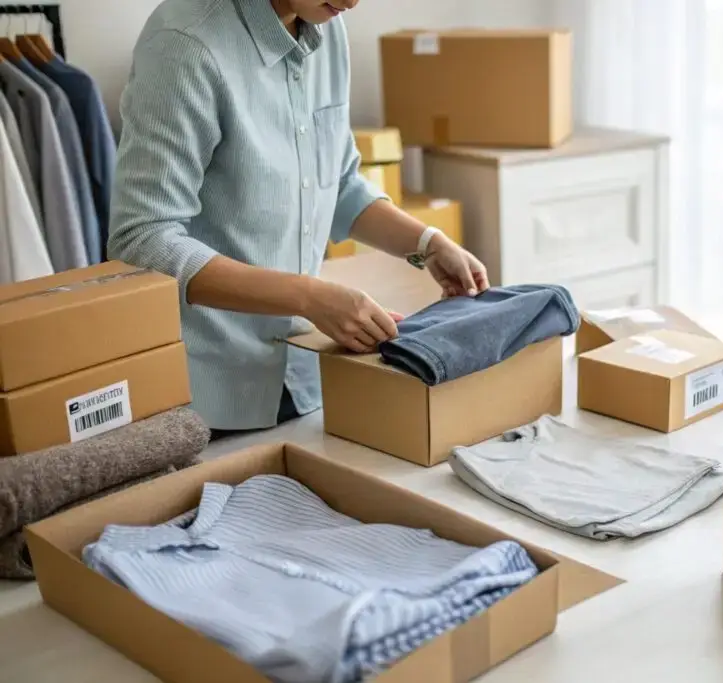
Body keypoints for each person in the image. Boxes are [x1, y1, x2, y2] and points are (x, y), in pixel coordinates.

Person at [108, 0, 489, 436]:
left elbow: (337, 182)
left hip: (309, 377)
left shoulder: (326, 26)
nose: (353, 2)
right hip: (207, 400)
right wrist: (308, 296)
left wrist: (426, 243)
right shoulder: (184, 46)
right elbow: (143, 239)